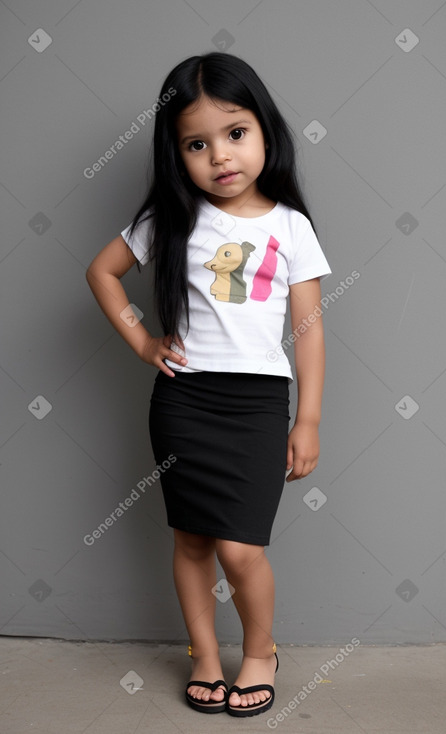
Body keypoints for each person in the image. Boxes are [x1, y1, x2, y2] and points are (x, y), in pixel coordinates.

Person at [86, 51, 331, 718]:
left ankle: (259, 650)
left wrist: (305, 419)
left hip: (255, 404)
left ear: (264, 131)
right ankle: (202, 654)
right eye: (196, 143)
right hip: (184, 402)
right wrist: (142, 340)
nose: (219, 156)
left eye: (234, 133)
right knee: (192, 539)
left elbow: (307, 328)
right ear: (176, 152)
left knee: (240, 548)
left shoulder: (288, 226)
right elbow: (102, 272)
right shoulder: (170, 216)